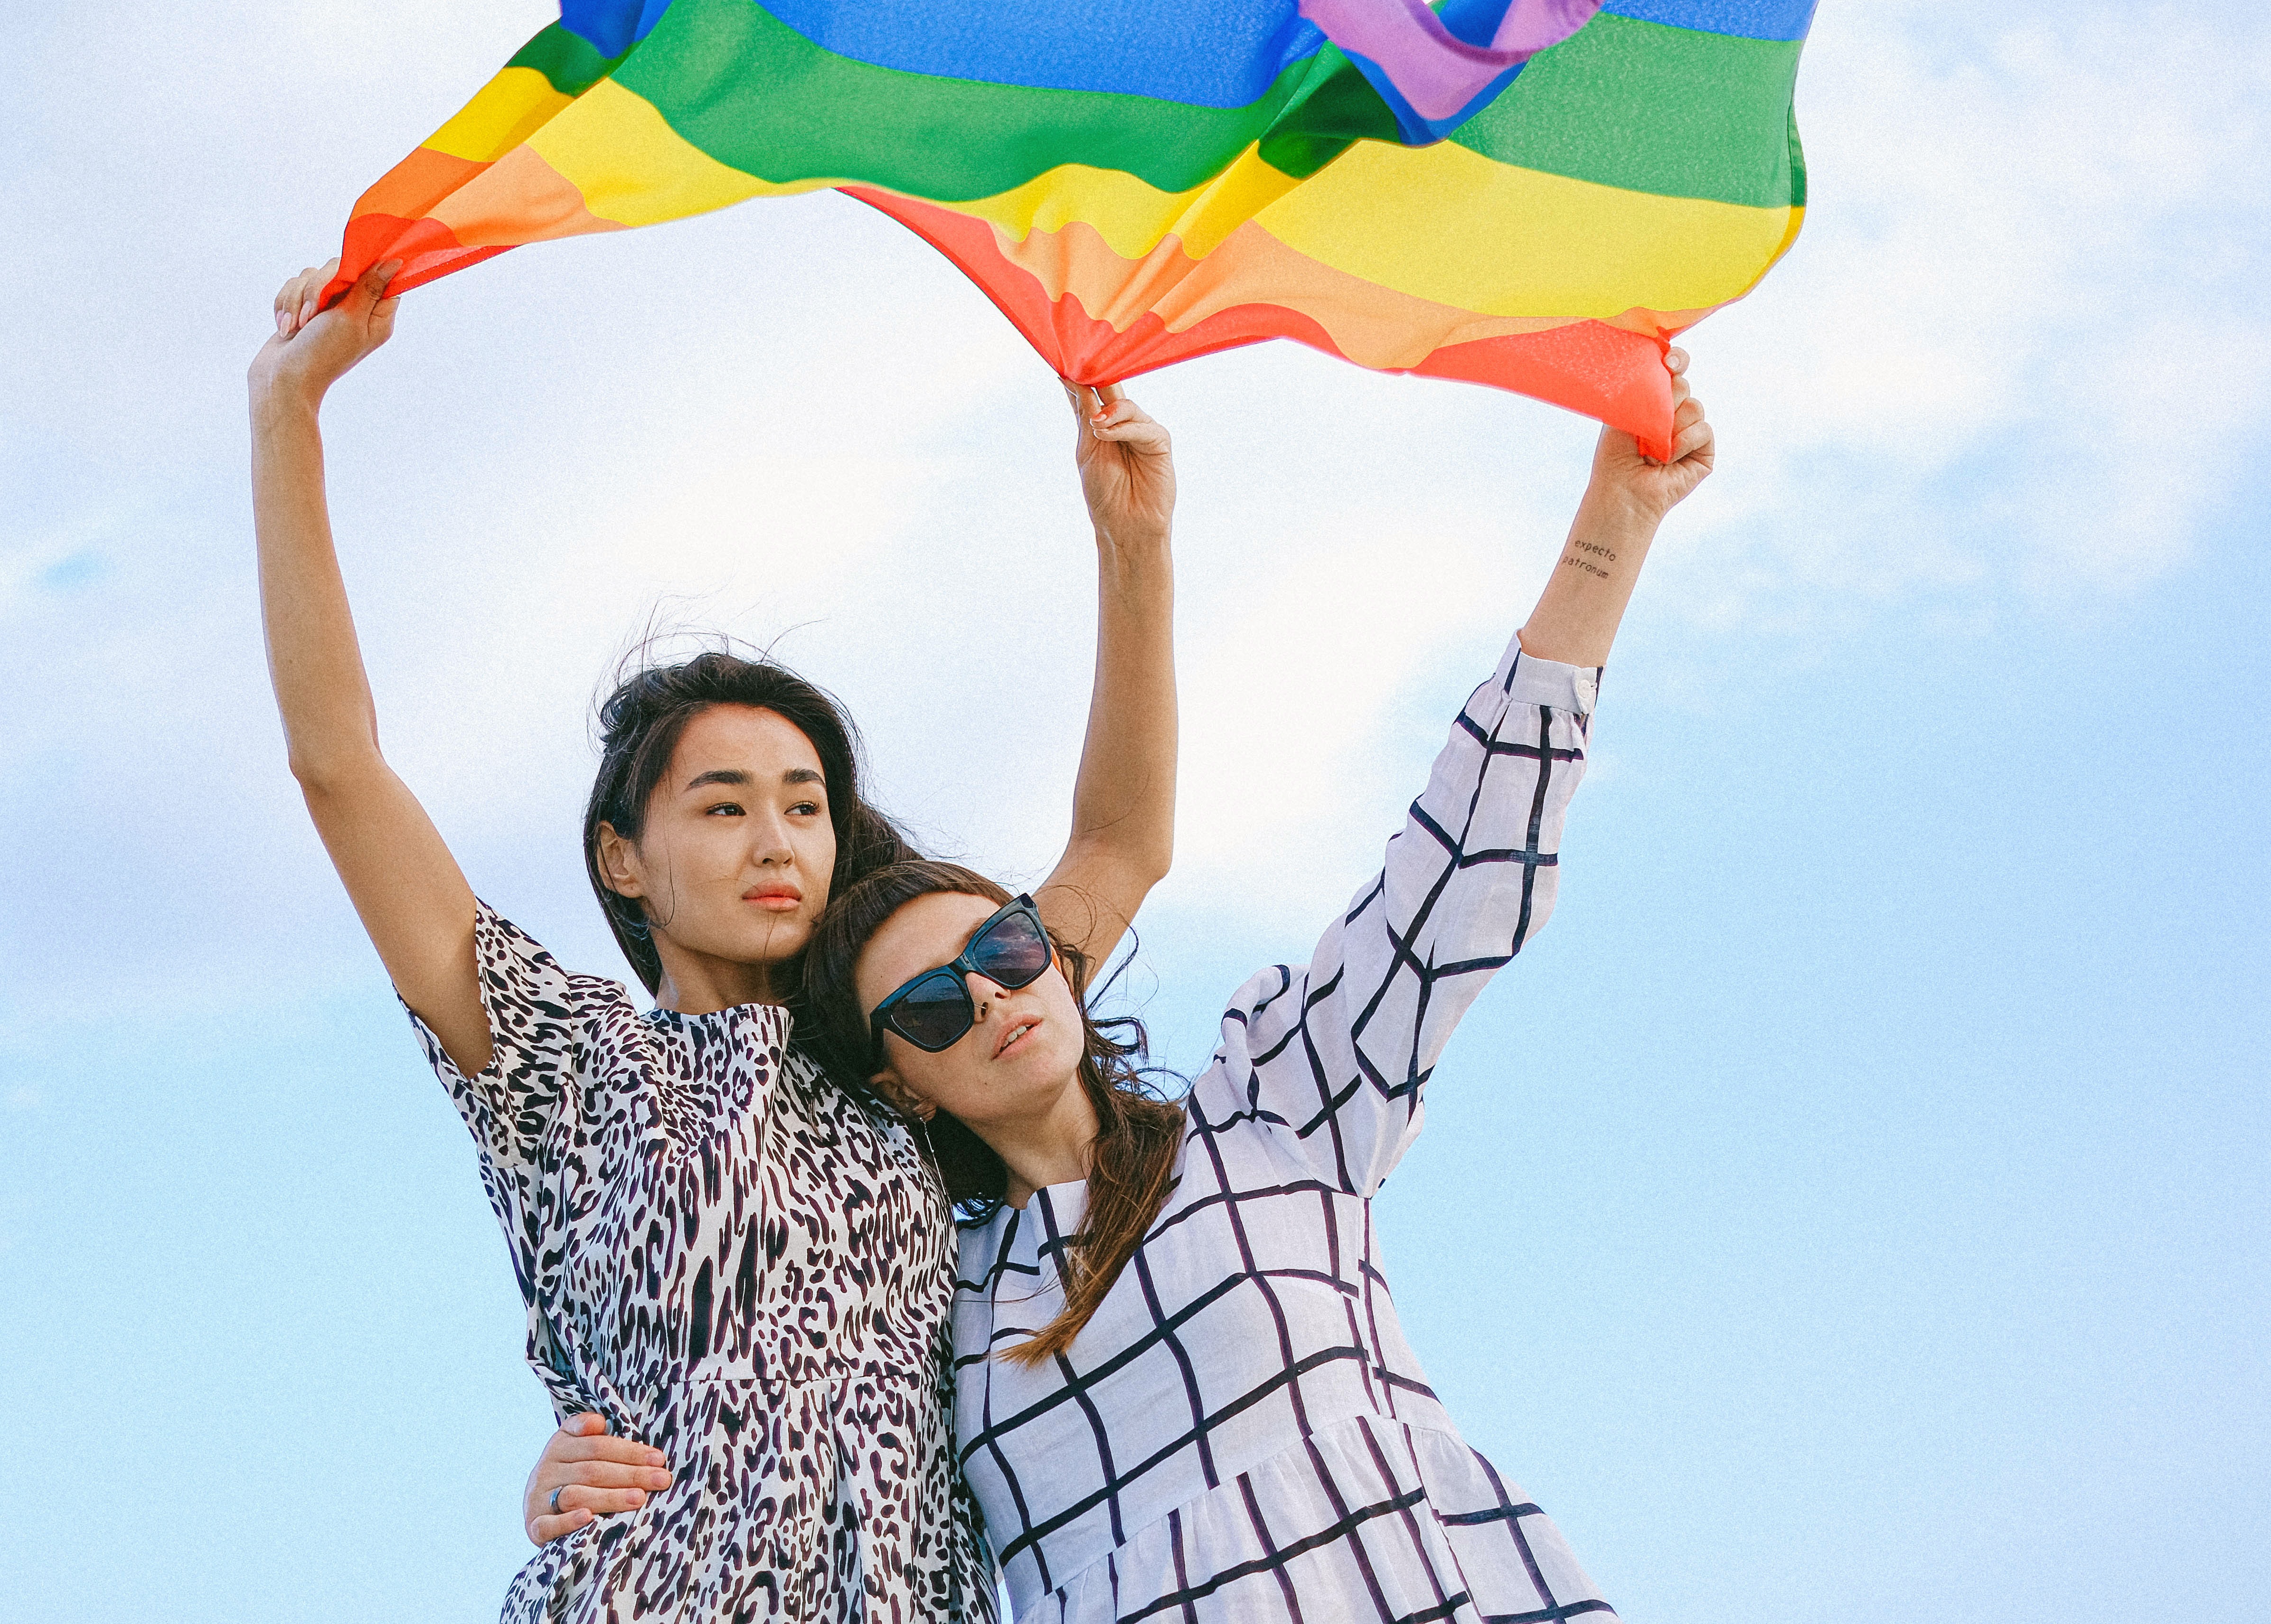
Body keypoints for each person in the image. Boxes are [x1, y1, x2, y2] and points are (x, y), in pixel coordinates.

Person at [532, 355, 1713, 1624]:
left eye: (1004, 954)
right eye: (933, 1008)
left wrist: (1616, 522)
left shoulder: (1273, 1120)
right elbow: (773, 1428)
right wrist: (585, 1480)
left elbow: (1459, 870)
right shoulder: (940, 1300)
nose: (986, 999)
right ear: (902, 1087)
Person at [249, 255, 1178, 1623]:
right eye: (725, 803)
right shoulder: (562, 1061)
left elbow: (1118, 852)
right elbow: (340, 767)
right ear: (626, 857)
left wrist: (1135, 544)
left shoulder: (914, 1041)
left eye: (806, 805)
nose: (777, 841)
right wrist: (289, 414)